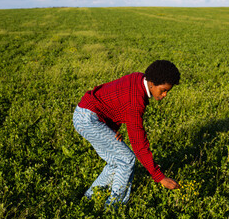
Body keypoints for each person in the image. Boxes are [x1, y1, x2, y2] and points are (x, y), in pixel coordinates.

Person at [72, 60, 181, 207]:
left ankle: (89, 199)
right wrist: (159, 177)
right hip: (89, 119)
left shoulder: (138, 78)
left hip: (86, 114)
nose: (165, 94)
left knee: (116, 161)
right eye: (163, 90)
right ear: (151, 84)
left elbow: (112, 99)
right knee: (127, 159)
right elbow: (139, 144)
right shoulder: (136, 101)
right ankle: (113, 208)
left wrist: (111, 129)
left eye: (168, 91)